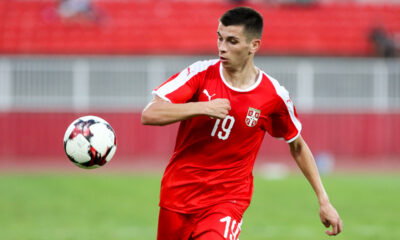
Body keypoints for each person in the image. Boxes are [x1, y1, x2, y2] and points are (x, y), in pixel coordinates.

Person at [141, 6, 343, 240]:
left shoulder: (274, 95)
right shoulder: (200, 73)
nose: (222, 48)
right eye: (220, 38)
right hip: (178, 195)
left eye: (232, 41)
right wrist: (202, 107)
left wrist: (324, 200)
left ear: (254, 46)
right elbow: (150, 114)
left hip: (227, 202)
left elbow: (296, 144)